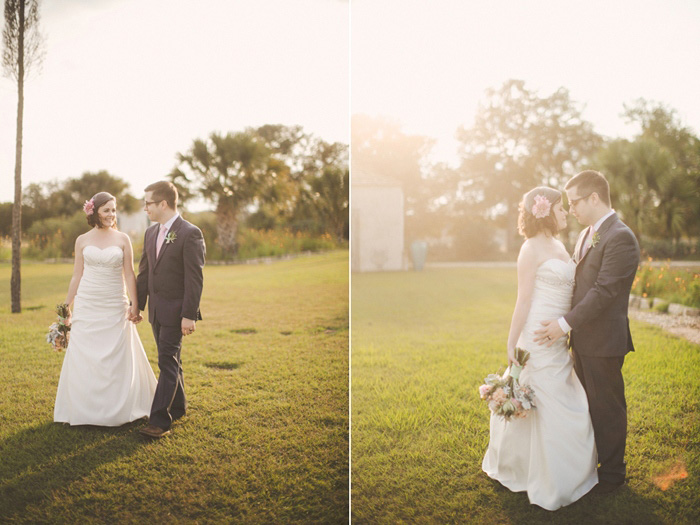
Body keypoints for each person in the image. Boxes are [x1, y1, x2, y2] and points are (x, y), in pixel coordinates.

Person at [482, 186, 598, 511]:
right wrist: (511, 341)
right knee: (540, 400)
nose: (565, 213)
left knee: (566, 398)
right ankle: (531, 471)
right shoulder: (529, 249)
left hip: (559, 336)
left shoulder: (560, 244)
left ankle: (572, 470)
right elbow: (523, 299)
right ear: (546, 211)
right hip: (536, 336)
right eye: (561, 209)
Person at [535, 170, 640, 494]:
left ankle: (612, 476)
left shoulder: (620, 237)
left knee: (606, 407)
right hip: (582, 338)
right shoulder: (586, 234)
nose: (572, 209)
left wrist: (564, 323)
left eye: (575, 202)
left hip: (604, 341)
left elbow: (604, 291)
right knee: (587, 405)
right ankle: (592, 466)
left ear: (595, 198)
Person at [54, 192, 157, 426]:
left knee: (115, 355)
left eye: (114, 210)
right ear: (94, 213)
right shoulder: (82, 240)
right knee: (85, 354)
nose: (112, 215)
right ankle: (85, 409)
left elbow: (129, 274)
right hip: (88, 302)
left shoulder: (122, 239)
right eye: (106, 210)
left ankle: (118, 408)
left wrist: (136, 304)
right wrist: (67, 305)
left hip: (114, 303)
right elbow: (76, 275)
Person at [135, 181, 205, 438]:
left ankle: (159, 421)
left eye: (148, 203)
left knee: (166, 360)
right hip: (155, 311)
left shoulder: (190, 233)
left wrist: (189, 315)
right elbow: (145, 273)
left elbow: (194, 279)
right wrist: (138, 306)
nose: (145, 208)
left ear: (163, 204)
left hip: (177, 312)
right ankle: (179, 406)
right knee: (172, 359)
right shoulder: (150, 233)